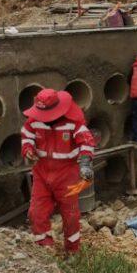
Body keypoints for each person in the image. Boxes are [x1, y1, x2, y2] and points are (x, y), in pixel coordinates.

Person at [20, 88, 95, 254]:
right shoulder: (33, 121)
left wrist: (85, 163)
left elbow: (87, 142)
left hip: (67, 174)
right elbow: (26, 135)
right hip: (41, 172)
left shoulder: (73, 122)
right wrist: (28, 149)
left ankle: (73, 250)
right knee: (36, 213)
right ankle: (45, 248)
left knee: (70, 215)